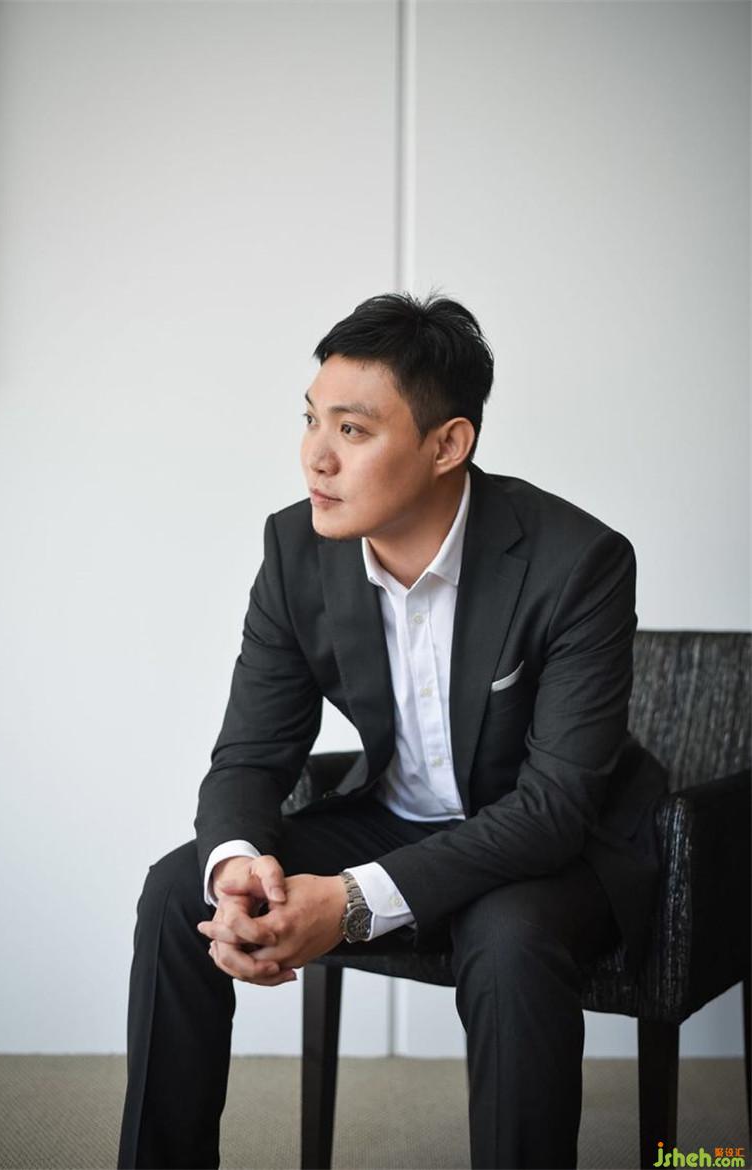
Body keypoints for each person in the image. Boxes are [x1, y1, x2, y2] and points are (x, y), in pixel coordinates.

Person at [117, 292, 667, 1170]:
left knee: (508, 936)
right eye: (310, 420)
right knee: (180, 888)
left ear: (448, 444)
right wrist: (238, 864)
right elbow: (252, 755)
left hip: (557, 845)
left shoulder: (577, 562)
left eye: (353, 430)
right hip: (397, 817)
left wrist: (351, 901)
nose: (316, 456)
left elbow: (555, 809)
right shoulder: (296, 551)